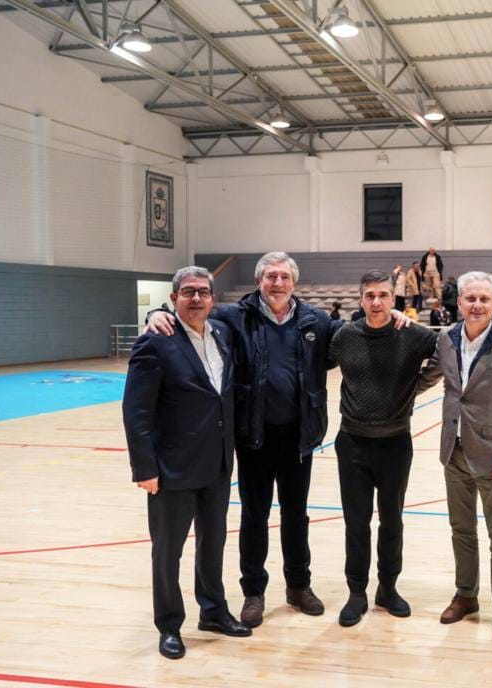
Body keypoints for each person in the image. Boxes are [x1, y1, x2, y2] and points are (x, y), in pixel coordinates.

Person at [144, 253, 408, 628]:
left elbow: (359, 332)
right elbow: (191, 314)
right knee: (254, 516)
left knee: (296, 515)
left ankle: (299, 586)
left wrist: (394, 316)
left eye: (284, 276)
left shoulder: (316, 321)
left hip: (299, 438)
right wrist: (155, 312)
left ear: (294, 282)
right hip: (252, 438)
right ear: (258, 281)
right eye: (270, 276)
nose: (277, 283)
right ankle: (254, 591)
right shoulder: (233, 318)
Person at [124, 266, 251, 659]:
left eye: (203, 292)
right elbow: (136, 410)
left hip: (216, 465)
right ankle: (169, 625)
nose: (196, 298)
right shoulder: (156, 342)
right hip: (171, 469)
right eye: (188, 292)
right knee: (168, 551)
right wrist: (144, 468)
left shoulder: (224, 335)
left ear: (213, 298)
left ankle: (213, 611)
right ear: (174, 298)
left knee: (213, 544)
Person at [418, 271, 492, 641]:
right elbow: (429, 377)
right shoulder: (446, 340)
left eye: (484, 299)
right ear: (459, 302)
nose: (477, 305)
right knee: (461, 530)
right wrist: (392, 391)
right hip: (452, 451)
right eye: (470, 298)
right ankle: (466, 595)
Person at [329, 270, 439, 627]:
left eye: (383, 295)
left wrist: (416, 388)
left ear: (394, 299)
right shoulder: (345, 335)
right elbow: (316, 358)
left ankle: (387, 589)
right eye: (369, 296)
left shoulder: (413, 334)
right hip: (352, 443)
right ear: (360, 300)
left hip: (395, 443)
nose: (376, 302)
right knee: (356, 522)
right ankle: (357, 592)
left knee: (392, 521)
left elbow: (450, 348)